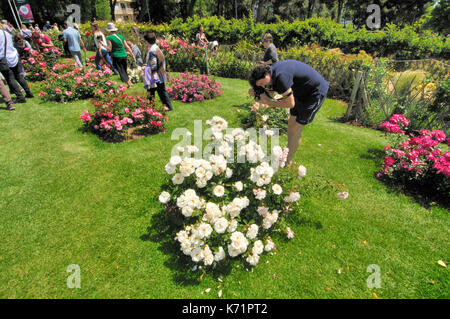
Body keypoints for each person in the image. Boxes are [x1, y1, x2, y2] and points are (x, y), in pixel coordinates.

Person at [248, 60, 329, 166]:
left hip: (314, 92)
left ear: (266, 74)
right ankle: (287, 153)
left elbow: (290, 103)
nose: (263, 86)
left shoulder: (281, 76)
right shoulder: (271, 74)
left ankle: (287, 162)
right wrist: (258, 93)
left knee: (297, 127)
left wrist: (267, 102)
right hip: (300, 92)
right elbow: (270, 95)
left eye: (263, 83)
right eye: (261, 85)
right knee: (291, 123)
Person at [0, 25, 34, 103]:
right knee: (18, 76)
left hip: (4, 58)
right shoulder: (7, 33)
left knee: (10, 78)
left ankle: (20, 97)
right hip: (14, 56)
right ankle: (28, 93)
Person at [143, 32, 173, 111]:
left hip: (156, 76)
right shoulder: (157, 48)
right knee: (161, 91)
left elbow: (154, 65)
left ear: (146, 41)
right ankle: (167, 106)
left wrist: (146, 67)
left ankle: (150, 108)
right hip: (161, 74)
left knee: (151, 91)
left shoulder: (152, 51)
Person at [105, 22, 134, 87]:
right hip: (124, 55)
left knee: (121, 71)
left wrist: (104, 46)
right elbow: (127, 46)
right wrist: (132, 54)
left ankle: (129, 84)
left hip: (116, 56)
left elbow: (109, 48)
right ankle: (129, 82)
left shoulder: (109, 38)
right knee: (124, 70)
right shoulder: (121, 36)